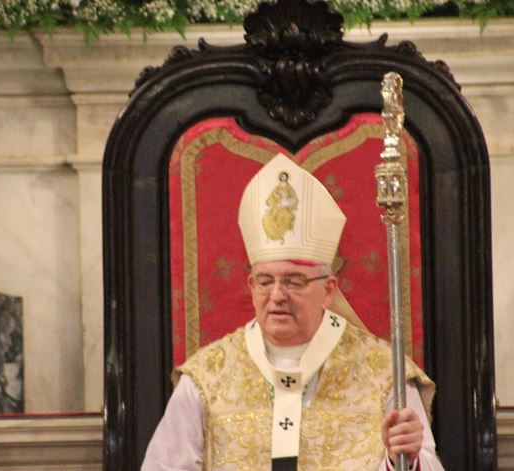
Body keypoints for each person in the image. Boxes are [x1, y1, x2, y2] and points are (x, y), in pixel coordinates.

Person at [142, 154, 442, 470]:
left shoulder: (385, 375)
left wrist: (401, 459)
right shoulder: (206, 379)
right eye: (264, 281)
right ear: (250, 286)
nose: (277, 296)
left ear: (328, 290)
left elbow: (424, 463)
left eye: (294, 281)